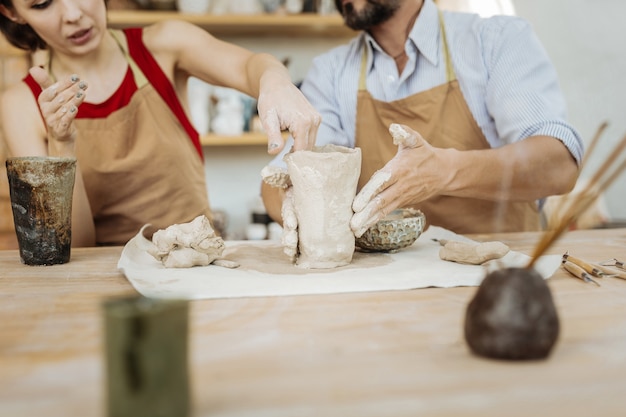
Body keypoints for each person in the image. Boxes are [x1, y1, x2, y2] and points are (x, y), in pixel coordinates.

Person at [0, 0, 320, 246]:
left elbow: (251, 65)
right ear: (12, 12)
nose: (72, 14)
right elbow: (73, 246)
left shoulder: (164, 45)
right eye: (42, 3)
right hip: (102, 283)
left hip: (198, 267)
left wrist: (275, 81)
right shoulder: (21, 105)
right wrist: (62, 141)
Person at [262, 0, 583, 237]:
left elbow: (559, 166)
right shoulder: (331, 72)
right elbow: (279, 180)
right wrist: (291, 200)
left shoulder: (495, 40)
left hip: (502, 275)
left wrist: (445, 171)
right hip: (386, 282)